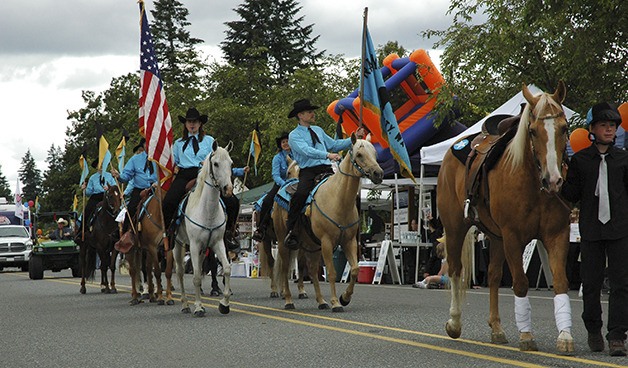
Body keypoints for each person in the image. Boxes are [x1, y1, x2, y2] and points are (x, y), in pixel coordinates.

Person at [561, 101, 628, 356]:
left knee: (621, 284)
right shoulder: (580, 160)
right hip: (591, 230)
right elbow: (572, 194)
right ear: (592, 129)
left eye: (612, 126)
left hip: (620, 229)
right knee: (590, 283)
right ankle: (593, 330)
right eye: (603, 125)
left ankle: (617, 336)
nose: (609, 130)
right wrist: (557, 181)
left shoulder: (624, 159)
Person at [161, 107, 249, 250]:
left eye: (195, 122)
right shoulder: (178, 144)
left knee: (233, 202)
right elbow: (173, 164)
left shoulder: (209, 141)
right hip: (185, 174)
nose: (192, 124)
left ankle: (229, 233)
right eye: (189, 122)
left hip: (206, 174)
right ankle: (168, 233)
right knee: (169, 202)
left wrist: (238, 171)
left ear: (200, 123)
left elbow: (220, 164)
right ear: (185, 124)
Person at [283, 99, 364, 250]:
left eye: (311, 111)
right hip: (308, 171)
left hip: (326, 169)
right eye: (309, 112)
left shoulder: (318, 130)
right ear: (300, 115)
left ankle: (353, 228)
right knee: (300, 194)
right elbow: (306, 151)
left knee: (350, 192)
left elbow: (334, 144)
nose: (313, 114)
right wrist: (328, 155)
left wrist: (353, 139)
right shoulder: (294, 136)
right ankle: (292, 230)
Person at [111, 137, 157, 234]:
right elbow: (126, 176)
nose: (149, 146)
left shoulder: (162, 158)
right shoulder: (135, 159)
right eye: (146, 143)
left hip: (157, 189)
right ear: (143, 146)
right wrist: (119, 176)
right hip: (139, 190)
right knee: (131, 209)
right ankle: (125, 235)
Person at [252, 132, 292, 242]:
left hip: (297, 183)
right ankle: (261, 228)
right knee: (267, 201)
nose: (285, 143)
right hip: (281, 184)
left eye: (287, 141)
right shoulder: (277, 158)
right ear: (280, 145)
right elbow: (275, 175)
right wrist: (284, 184)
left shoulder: (298, 155)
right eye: (283, 142)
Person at [81, 160, 117, 231]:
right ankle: (83, 230)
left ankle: (120, 228)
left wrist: (109, 188)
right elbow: (88, 193)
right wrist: (84, 189)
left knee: (118, 208)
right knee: (87, 211)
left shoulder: (110, 176)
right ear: (96, 167)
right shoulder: (92, 178)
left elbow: (115, 187)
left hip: (108, 196)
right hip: (96, 197)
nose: (101, 166)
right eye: (99, 165)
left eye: (102, 164)